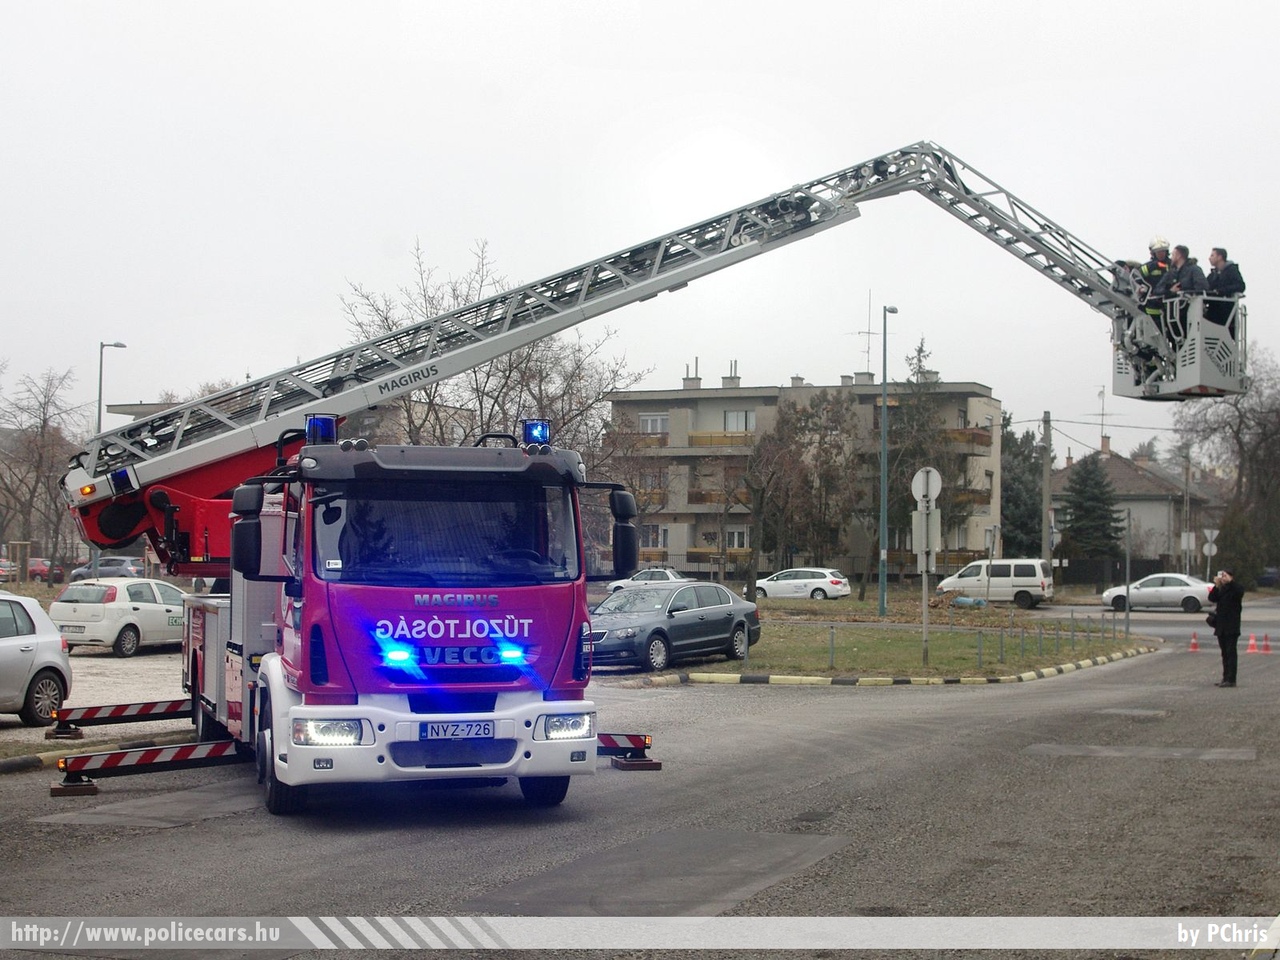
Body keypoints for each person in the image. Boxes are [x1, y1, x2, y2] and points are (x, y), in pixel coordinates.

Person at [1207, 568, 1244, 687]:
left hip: (1232, 626)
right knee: (1224, 653)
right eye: (1222, 576)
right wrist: (1216, 585)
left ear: (1231, 577)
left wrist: (1230, 582)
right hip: (1221, 626)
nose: (1223, 578)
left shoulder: (1236, 588)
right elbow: (1211, 598)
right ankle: (1225, 677)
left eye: (1226, 576)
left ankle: (1231, 679)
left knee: (1231, 653)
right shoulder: (1221, 589)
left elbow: (1239, 592)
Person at [1205, 247, 1246, 329]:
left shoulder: (1231, 270)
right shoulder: (1213, 274)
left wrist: (1221, 291)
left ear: (1220, 257)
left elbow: (1240, 285)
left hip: (1226, 311)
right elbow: (1206, 287)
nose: (1209, 258)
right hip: (1213, 310)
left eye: (1212, 255)